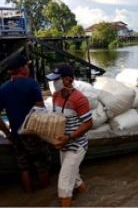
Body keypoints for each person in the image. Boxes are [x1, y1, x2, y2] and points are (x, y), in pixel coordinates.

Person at [0, 55, 51, 193]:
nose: (29, 68)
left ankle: (28, 196)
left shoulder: (3, 88)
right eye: (27, 66)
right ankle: (46, 196)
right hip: (33, 133)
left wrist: (8, 133)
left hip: (16, 135)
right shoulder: (32, 84)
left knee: (23, 167)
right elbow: (40, 109)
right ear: (22, 69)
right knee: (41, 165)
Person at [46, 63, 92, 207]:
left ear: (68, 80)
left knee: (64, 183)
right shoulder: (55, 96)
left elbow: (88, 124)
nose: (54, 82)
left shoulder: (80, 99)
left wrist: (69, 137)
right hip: (63, 144)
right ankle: (90, 198)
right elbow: (57, 119)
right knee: (75, 178)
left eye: (57, 79)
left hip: (76, 145)